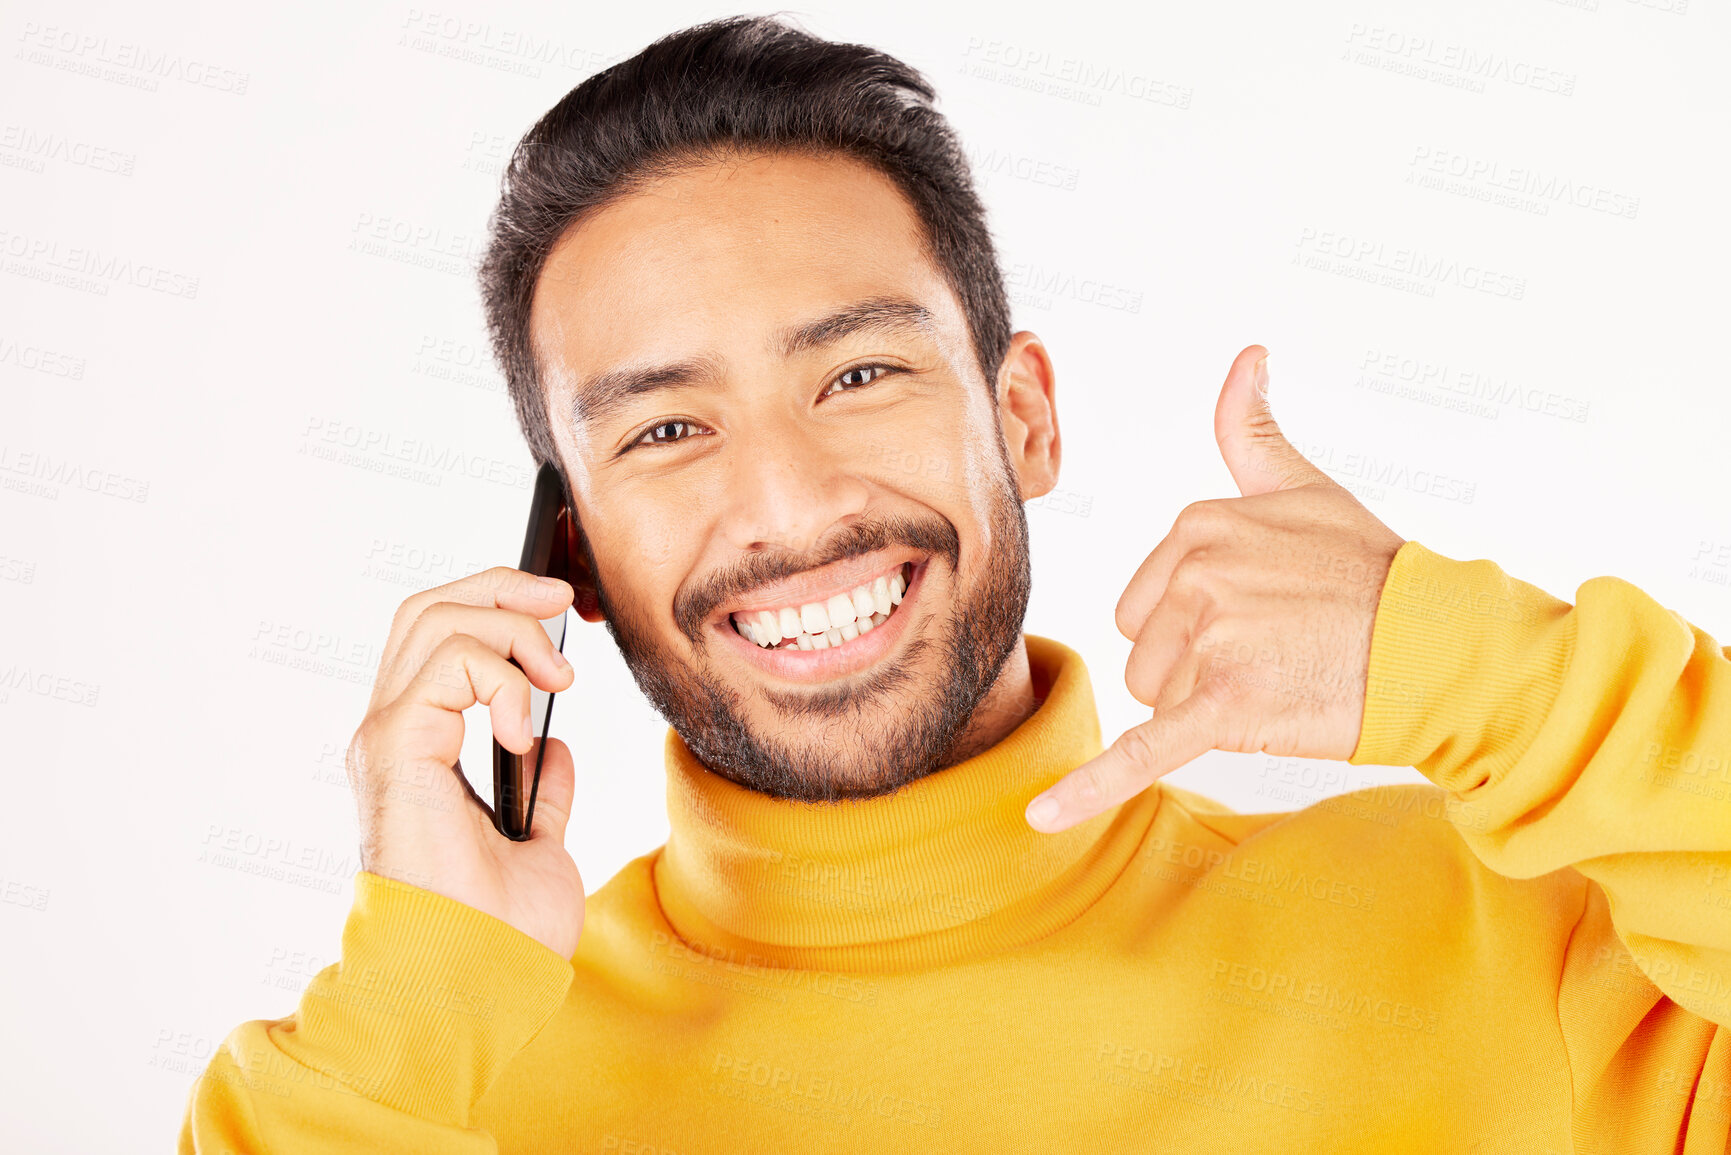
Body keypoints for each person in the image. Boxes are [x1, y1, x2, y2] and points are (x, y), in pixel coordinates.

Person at [180, 15, 1731, 1152]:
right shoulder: (439, 1093)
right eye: (664, 428)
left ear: (1026, 417)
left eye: (856, 371)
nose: (786, 504)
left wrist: (1503, 685)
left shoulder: (1505, 941)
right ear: (569, 554)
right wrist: (420, 987)